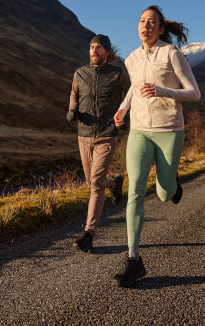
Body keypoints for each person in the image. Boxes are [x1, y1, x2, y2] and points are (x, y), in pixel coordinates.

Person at [112, 5, 201, 287]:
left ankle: (172, 182)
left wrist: (162, 90)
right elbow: (134, 88)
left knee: (163, 195)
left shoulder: (171, 54)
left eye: (152, 23)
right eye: (142, 21)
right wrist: (123, 109)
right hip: (139, 131)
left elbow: (194, 93)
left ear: (161, 29)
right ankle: (134, 260)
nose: (145, 26)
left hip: (169, 130)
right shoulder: (132, 59)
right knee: (135, 192)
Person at [67, 34, 130, 253]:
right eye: (92, 46)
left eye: (99, 47)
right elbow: (74, 94)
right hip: (83, 135)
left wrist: (125, 115)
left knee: (94, 183)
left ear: (107, 52)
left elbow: (131, 94)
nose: (95, 50)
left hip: (106, 134)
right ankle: (114, 184)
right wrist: (72, 110)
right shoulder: (80, 73)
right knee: (92, 182)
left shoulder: (117, 75)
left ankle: (88, 234)